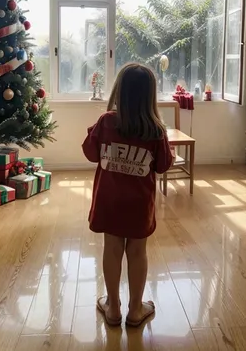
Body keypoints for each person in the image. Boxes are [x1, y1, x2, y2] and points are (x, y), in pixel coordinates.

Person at [82, 63, 174, 327]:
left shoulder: (106, 121)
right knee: (137, 251)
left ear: (118, 91)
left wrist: (95, 134)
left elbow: (90, 154)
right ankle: (135, 309)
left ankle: (112, 307)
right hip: (138, 204)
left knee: (111, 249)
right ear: (150, 95)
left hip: (109, 200)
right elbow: (163, 166)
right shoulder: (156, 130)